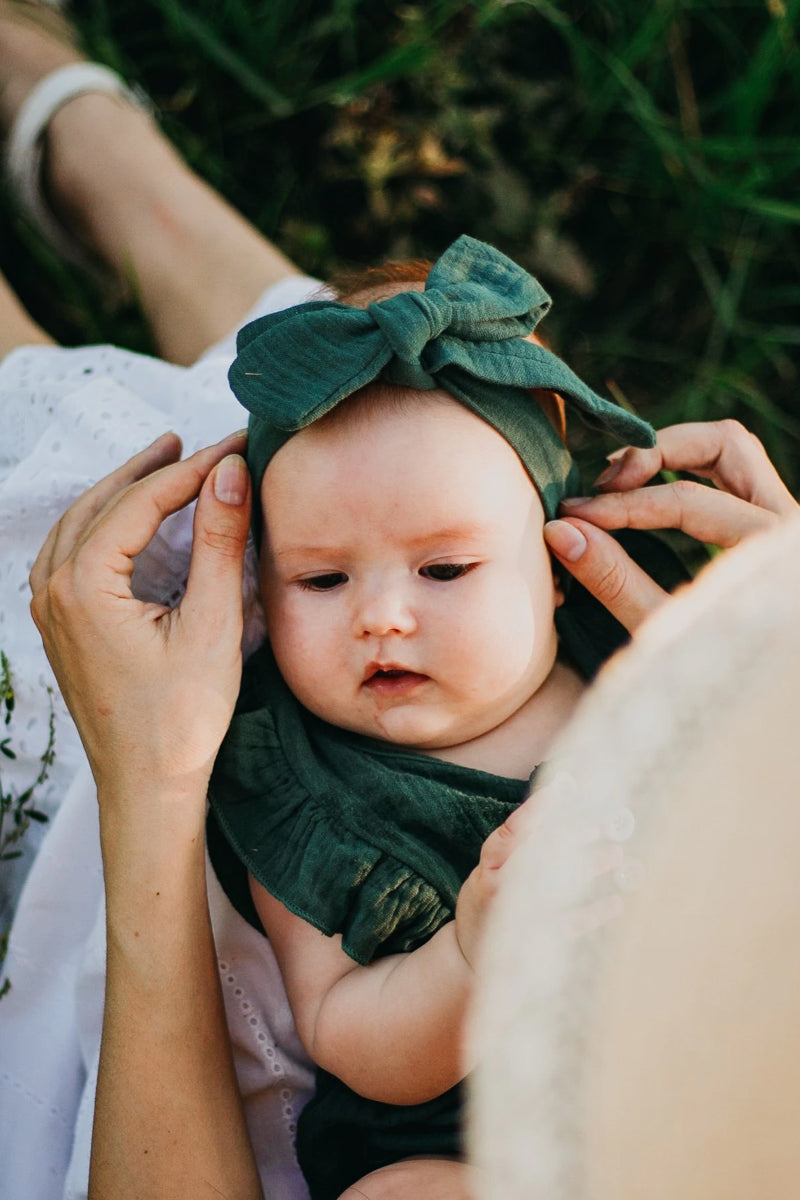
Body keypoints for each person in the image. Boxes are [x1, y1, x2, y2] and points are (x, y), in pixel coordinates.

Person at [0, 5, 796, 1200]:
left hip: (452, 1129)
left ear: (543, 555)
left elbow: (347, 1031)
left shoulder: (377, 758)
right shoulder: (310, 767)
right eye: (317, 581)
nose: (380, 615)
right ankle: (96, 155)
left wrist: (470, 960)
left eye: (444, 571)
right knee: (334, 428)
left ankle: (87, 172)